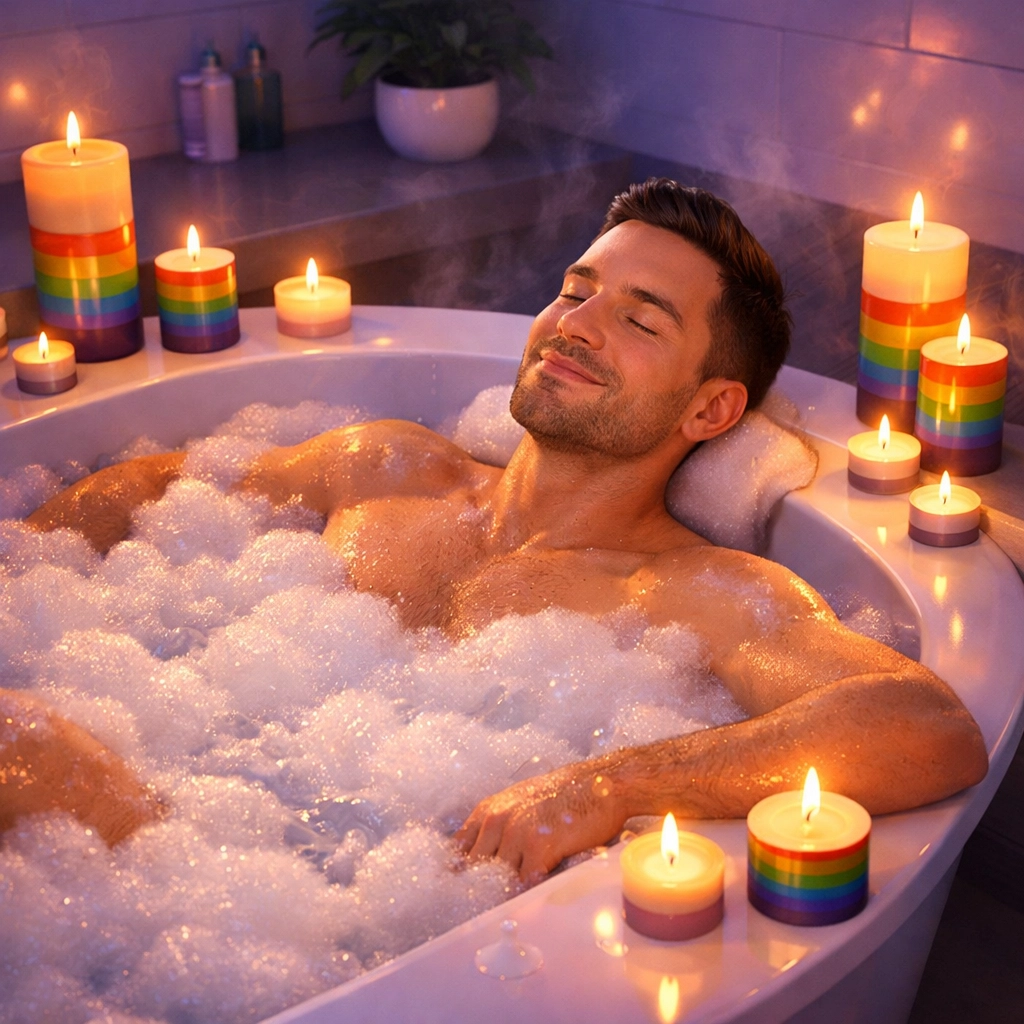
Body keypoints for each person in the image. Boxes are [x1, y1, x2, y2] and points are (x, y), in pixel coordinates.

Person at [12, 179, 987, 879]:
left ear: (707, 411)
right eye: (575, 290)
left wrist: (607, 786)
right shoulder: (382, 465)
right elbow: (142, 489)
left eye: (640, 322)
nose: (576, 323)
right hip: (197, 846)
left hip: (318, 910)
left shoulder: (685, 593)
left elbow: (922, 725)